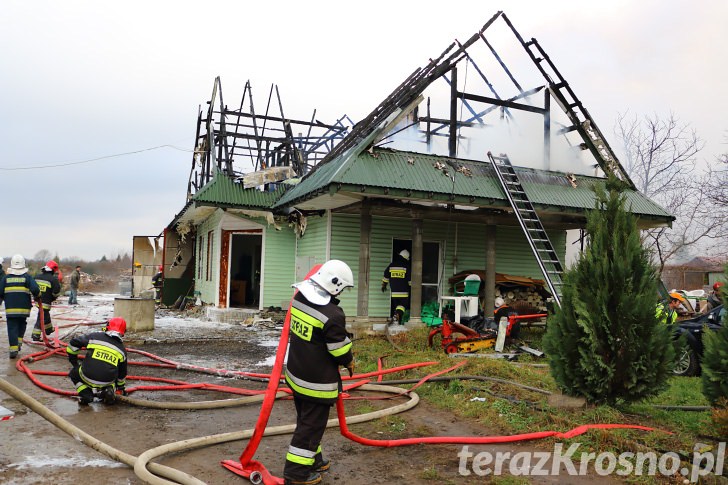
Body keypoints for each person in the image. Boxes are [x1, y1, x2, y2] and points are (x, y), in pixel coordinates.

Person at [283, 260, 355, 485]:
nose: (342, 292)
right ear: (335, 285)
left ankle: (314, 460)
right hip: (316, 384)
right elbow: (339, 350)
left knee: (308, 422)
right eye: (342, 288)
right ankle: (295, 474)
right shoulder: (332, 315)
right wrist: (350, 361)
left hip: (296, 374)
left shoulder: (300, 299)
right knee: (310, 426)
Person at [67, 317, 128, 405]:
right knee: (114, 376)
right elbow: (122, 374)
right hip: (107, 381)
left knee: (73, 373)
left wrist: (74, 362)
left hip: (86, 376)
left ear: (107, 327)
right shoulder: (122, 350)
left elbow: (73, 344)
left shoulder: (94, 337)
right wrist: (121, 388)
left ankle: (86, 394)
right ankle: (109, 390)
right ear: (123, 333)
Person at [0, 254, 40, 358]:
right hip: (24, 310)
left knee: (12, 327)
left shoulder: (6, 278)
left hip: (10, 309)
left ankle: (13, 349)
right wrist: (38, 297)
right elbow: (35, 290)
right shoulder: (27, 277)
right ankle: (18, 343)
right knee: (22, 325)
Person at [32, 261, 62, 341]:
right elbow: (56, 292)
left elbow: (32, 288)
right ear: (53, 270)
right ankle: (35, 335)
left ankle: (48, 329)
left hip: (37, 301)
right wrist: (53, 298)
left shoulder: (37, 277)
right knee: (41, 317)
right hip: (46, 302)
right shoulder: (53, 279)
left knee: (45, 314)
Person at [381, 249, 411, 325]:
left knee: (397, 306)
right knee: (403, 306)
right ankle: (396, 316)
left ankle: (397, 321)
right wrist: (411, 288)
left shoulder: (392, 265)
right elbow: (409, 279)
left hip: (394, 292)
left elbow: (386, 275)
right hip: (404, 291)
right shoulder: (406, 266)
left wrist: (384, 285)